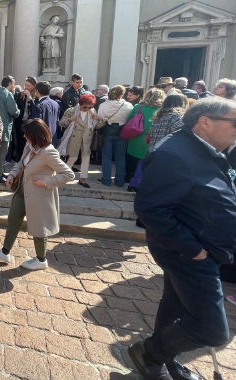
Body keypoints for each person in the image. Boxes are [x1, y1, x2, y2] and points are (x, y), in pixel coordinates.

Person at [131, 97, 236, 380]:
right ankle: (150, 353)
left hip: (201, 247)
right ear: (205, 123)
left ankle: (161, 361)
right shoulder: (175, 154)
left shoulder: (208, 148)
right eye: (234, 123)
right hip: (189, 252)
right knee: (213, 329)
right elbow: (149, 208)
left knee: (175, 306)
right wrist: (192, 249)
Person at [0, 119, 74, 269]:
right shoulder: (30, 146)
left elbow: (68, 174)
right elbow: (21, 163)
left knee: (39, 227)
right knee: (13, 220)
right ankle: (5, 252)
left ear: (36, 135)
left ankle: (41, 260)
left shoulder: (49, 152)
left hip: (38, 195)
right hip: (21, 191)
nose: (24, 136)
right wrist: (12, 174)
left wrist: (47, 183)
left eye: (27, 134)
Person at [58, 94, 104, 188]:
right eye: (85, 107)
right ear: (80, 104)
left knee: (86, 159)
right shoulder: (71, 111)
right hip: (74, 137)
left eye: (90, 107)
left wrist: (101, 120)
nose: (87, 109)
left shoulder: (92, 112)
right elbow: (61, 123)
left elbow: (96, 126)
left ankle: (83, 179)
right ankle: (64, 177)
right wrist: (69, 120)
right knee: (72, 158)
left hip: (87, 138)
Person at [125, 88, 166, 191]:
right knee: (145, 162)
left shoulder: (138, 107)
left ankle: (130, 180)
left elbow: (128, 120)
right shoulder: (163, 110)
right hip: (152, 139)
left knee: (134, 161)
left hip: (136, 137)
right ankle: (136, 183)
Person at [97, 85, 133, 187]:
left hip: (108, 131)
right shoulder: (128, 105)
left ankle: (106, 180)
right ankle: (119, 181)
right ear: (122, 94)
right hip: (122, 132)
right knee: (120, 157)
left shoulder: (103, 105)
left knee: (106, 157)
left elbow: (100, 120)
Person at [0, 76, 20, 183]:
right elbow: (14, 111)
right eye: (13, 84)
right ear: (9, 83)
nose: (14, 86)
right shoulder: (6, 94)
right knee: (2, 152)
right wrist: (18, 112)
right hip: (4, 127)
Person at [13, 77, 38, 163]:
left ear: (34, 86)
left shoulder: (36, 96)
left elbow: (35, 108)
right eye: (25, 85)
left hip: (30, 122)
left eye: (29, 86)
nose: (26, 87)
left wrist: (29, 97)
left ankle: (28, 161)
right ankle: (19, 160)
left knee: (29, 142)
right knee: (20, 142)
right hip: (20, 122)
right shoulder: (19, 95)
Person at [32, 81, 60, 146]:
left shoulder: (38, 106)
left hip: (42, 140)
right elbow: (57, 122)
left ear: (37, 91)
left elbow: (36, 125)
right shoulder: (56, 104)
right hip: (53, 139)